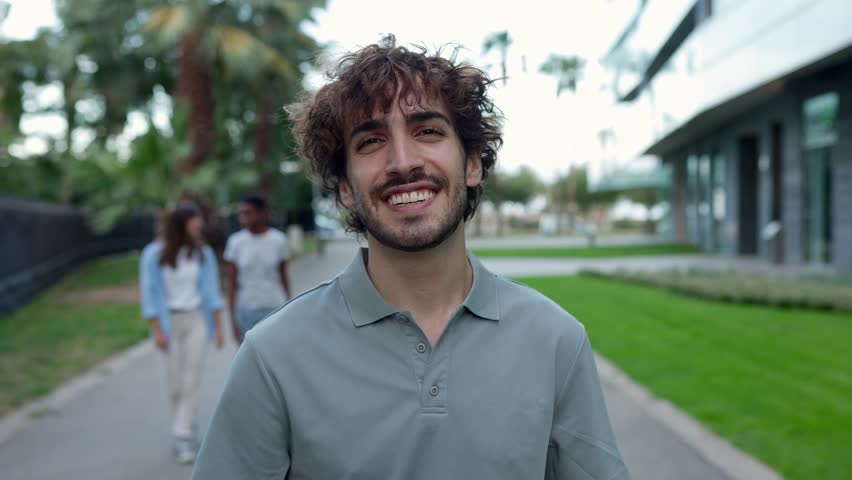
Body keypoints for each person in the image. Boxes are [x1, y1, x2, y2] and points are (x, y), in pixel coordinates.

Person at [193, 36, 628, 479]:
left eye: (428, 131)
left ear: (473, 163)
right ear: (344, 186)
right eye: (370, 142)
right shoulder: (273, 355)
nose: (402, 162)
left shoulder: (555, 341)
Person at [139, 202, 225, 465]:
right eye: (195, 220)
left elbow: (212, 292)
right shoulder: (154, 254)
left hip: (197, 319)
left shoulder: (203, 253)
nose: (199, 225)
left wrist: (219, 327)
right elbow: (149, 294)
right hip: (169, 323)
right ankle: (184, 423)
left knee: (191, 380)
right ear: (182, 223)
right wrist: (157, 329)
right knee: (174, 383)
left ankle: (183, 433)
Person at [224, 193, 292, 344]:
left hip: (274, 306)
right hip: (247, 309)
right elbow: (232, 284)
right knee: (249, 360)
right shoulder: (236, 242)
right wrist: (233, 321)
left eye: (248, 213)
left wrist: (289, 308)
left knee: (274, 355)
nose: (243, 218)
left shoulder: (278, 240)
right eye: (241, 213)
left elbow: (284, 277)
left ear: (262, 213)